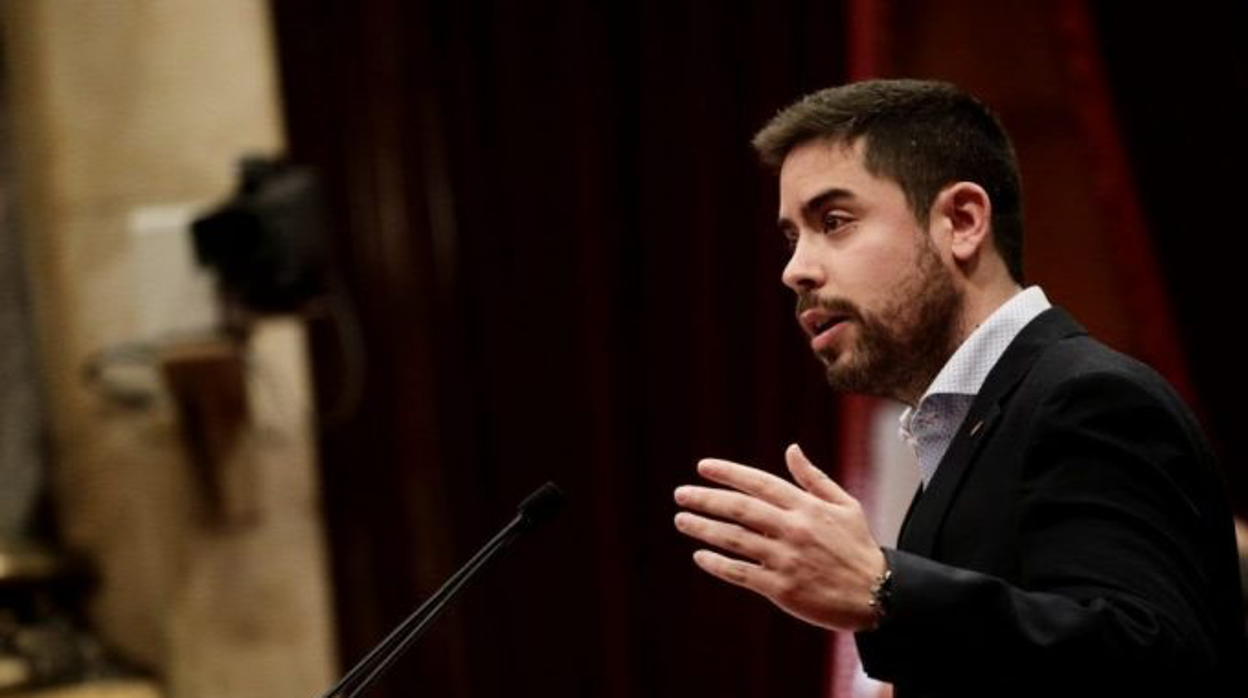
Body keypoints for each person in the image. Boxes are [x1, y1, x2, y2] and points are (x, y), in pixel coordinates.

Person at [672, 79, 1246, 696]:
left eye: (834, 221)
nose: (795, 269)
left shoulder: (1089, 400)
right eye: (793, 236)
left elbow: (1153, 661)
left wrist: (882, 588)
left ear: (963, 221)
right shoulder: (967, 431)